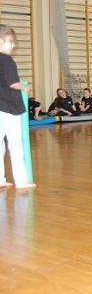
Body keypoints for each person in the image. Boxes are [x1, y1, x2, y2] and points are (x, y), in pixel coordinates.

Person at [0, 25, 36, 189]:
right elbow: (12, 83)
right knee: (16, 144)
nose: (13, 45)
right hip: (9, 107)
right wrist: (25, 87)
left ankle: (0, 179)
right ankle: (21, 180)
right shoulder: (7, 60)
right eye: (11, 42)